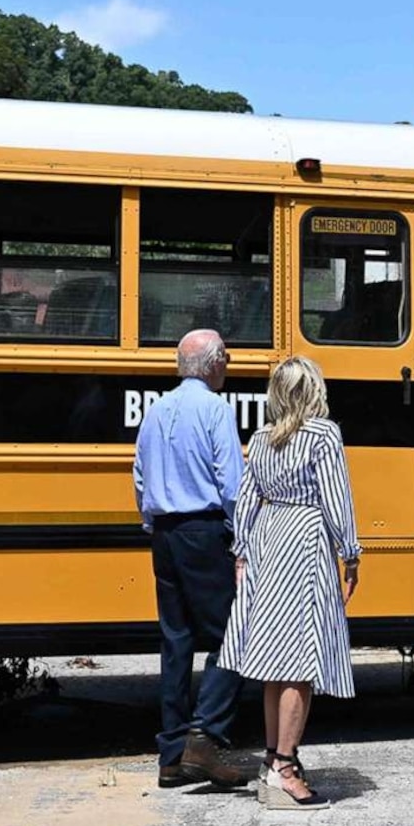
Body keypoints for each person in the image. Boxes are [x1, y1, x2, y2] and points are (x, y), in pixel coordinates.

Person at [221, 357, 360, 809]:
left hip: (267, 537)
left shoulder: (260, 439)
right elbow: (335, 496)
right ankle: (285, 766)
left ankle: (272, 760)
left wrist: (242, 550)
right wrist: (351, 552)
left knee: (273, 661)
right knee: (301, 659)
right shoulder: (323, 434)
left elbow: (245, 499)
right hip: (305, 540)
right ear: (314, 390)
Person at [133, 328, 254, 789]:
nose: (228, 365)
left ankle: (170, 754)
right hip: (204, 532)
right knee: (234, 633)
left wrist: (153, 523)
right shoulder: (215, 410)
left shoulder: (155, 411)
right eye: (227, 357)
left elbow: (141, 478)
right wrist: (243, 539)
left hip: (164, 534)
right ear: (216, 362)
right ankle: (206, 737)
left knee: (176, 642)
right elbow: (232, 486)